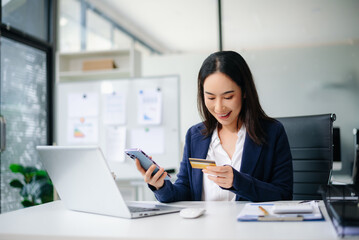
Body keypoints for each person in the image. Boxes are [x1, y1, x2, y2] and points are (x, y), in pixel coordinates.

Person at [135, 51, 293, 202]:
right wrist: (160, 186)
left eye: (228, 97)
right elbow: (184, 191)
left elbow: (284, 195)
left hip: (250, 228)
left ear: (244, 92)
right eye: (210, 97)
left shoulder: (272, 132)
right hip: (204, 228)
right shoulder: (195, 135)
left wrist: (238, 181)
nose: (219, 108)